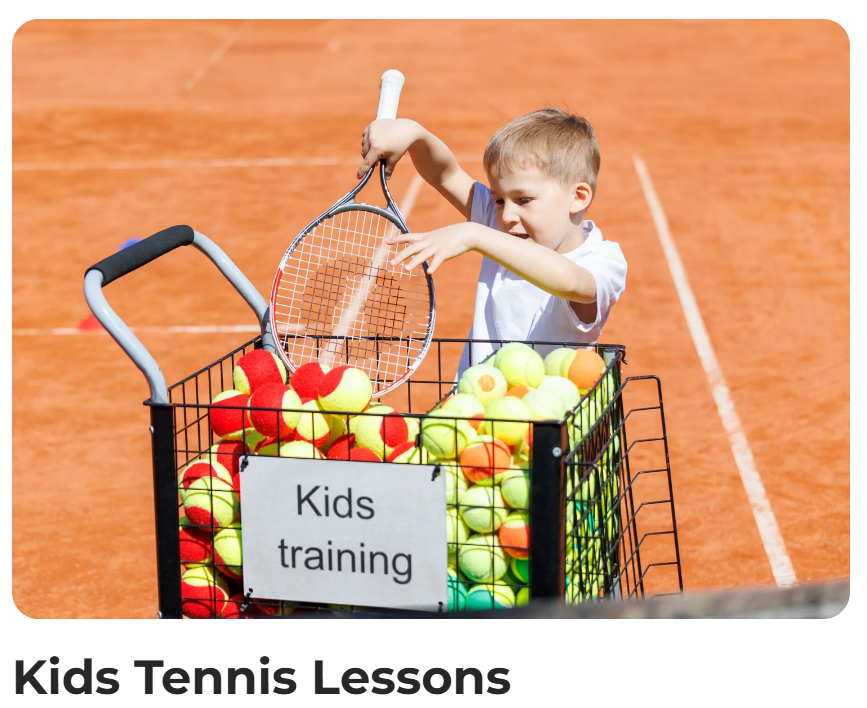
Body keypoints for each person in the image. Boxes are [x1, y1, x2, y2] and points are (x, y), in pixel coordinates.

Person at [356, 107, 627, 376]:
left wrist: (475, 233)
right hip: (477, 410)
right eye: (498, 200)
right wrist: (415, 134)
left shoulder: (603, 260)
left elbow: (572, 283)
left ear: (578, 197)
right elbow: (446, 175)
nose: (507, 215)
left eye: (524, 200)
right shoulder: (501, 228)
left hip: (551, 418)